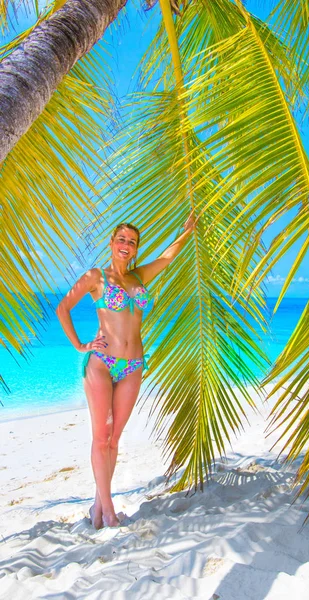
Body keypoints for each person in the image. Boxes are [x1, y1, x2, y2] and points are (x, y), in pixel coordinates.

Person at [56, 214, 196, 528]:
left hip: (134, 365)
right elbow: (63, 308)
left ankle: (96, 505)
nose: (125, 245)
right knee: (101, 436)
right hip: (101, 365)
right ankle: (107, 511)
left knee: (115, 439)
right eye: (121, 239)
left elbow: (166, 257)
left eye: (131, 242)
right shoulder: (96, 277)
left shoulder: (138, 278)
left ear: (135, 249)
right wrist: (80, 345)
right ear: (112, 242)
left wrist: (185, 232)